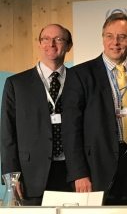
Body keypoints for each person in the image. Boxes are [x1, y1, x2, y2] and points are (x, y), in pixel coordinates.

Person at [61, 13, 127, 204]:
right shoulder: (80, 75)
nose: (115, 42)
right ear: (103, 38)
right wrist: (78, 173)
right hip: (95, 169)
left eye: (122, 37)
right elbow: (70, 130)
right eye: (109, 36)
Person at [1, 24, 73, 205]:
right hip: (30, 175)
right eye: (46, 39)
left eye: (58, 39)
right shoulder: (17, 84)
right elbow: (7, 132)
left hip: (73, 173)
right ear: (40, 44)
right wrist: (11, 175)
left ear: (69, 45)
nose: (52, 44)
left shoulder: (80, 80)